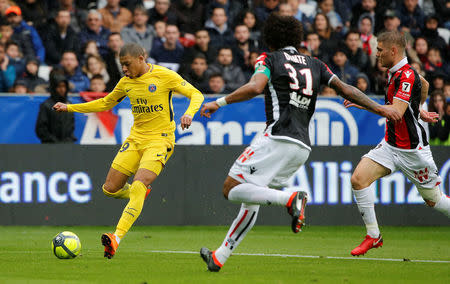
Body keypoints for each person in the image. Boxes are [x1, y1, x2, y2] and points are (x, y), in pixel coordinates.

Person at [199, 13, 401, 272]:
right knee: (253, 196)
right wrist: (381, 109)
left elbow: (255, 86)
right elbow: (347, 89)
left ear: (270, 38)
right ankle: (220, 257)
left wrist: (219, 101)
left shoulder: (268, 59)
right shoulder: (315, 63)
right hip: (302, 146)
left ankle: (290, 198)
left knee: (231, 188)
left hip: (277, 137)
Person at [53, 42, 204, 259]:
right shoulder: (126, 82)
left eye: (127, 64)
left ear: (141, 58)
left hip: (160, 141)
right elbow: (105, 103)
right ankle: (139, 194)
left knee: (139, 184)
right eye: (121, 65)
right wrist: (70, 107)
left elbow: (196, 94)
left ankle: (116, 237)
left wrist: (189, 113)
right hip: (135, 139)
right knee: (109, 189)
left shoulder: (164, 76)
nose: (124, 69)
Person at [344, 31, 450, 257]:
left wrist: (363, 102)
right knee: (358, 179)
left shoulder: (406, 75)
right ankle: (373, 236)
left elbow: (395, 113)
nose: (377, 53)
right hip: (391, 145)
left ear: (394, 51)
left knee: (434, 200)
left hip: (413, 151)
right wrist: (418, 109)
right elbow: (425, 85)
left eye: (380, 49)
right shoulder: (397, 73)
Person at [35, 74, 76, 143]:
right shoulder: (46, 105)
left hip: (67, 146)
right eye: (59, 87)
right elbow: (40, 129)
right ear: (53, 88)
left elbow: (71, 126)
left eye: (64, 86)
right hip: (50, 147)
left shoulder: (69, 104)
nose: (62, 89)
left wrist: (69, 140)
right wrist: (53, 141)